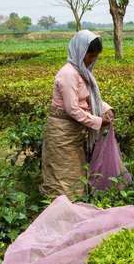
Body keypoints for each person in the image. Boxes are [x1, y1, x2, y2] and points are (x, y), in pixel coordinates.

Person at [41, 30, 114, 199]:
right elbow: (72, 108)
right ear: (79, 51)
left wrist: (105, 109)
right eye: (89, 55)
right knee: (62, 175)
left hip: (74, 131)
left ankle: (73, 207)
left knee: (75, 173)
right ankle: (61, 212)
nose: (91, 60)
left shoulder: (82, 72)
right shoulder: (68, 74)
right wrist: (97, 121)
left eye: (95, 56)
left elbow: (88, 98)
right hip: (62, 133)